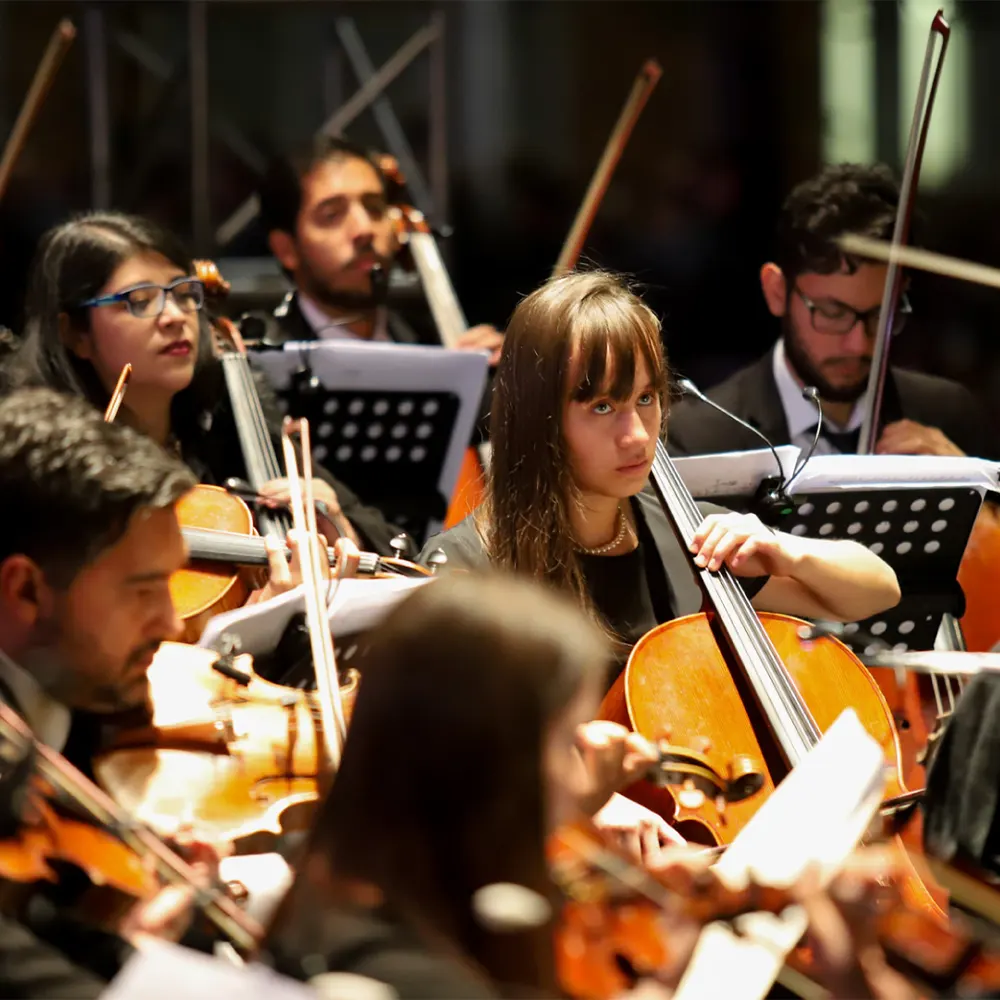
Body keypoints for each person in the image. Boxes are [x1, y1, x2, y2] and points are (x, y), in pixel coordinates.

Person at [264, 574, 916, 1000]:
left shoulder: (350, 881)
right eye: (565, 736)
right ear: (485, 756)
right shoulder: (405, 978)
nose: (582, 759)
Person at [421, 270, 901, 678]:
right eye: (603, 406)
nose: (636, 435)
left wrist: (783, 549)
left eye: (646, 399)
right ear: (538, 417)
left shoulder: (683, 536)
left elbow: (876, 591)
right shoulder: (467, 564)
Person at [1, 211, 398, 556]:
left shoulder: (232, 420)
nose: (175, 316)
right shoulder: (41, 466)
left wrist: (343, 530)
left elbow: (395, 543)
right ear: (75, 334)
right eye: (140, 300)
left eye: (184, 293)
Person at [0, 386, 217, 996]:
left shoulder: (81, 689)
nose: (173, 625)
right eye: (144, 590)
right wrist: (135, 963)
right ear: (25, 591)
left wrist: (118, 881)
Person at [665, 162, 995, 460]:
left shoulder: (949, 414)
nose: (859, 345)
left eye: (880, 314)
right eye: (832, 313)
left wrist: (977, 497)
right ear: (776, 291)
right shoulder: (699, 437)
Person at [254, 136, 503, 360]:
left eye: (374, 208)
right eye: (332, 215)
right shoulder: (262, 361)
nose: (364, 230)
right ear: (286, 249)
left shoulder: (434, 345)